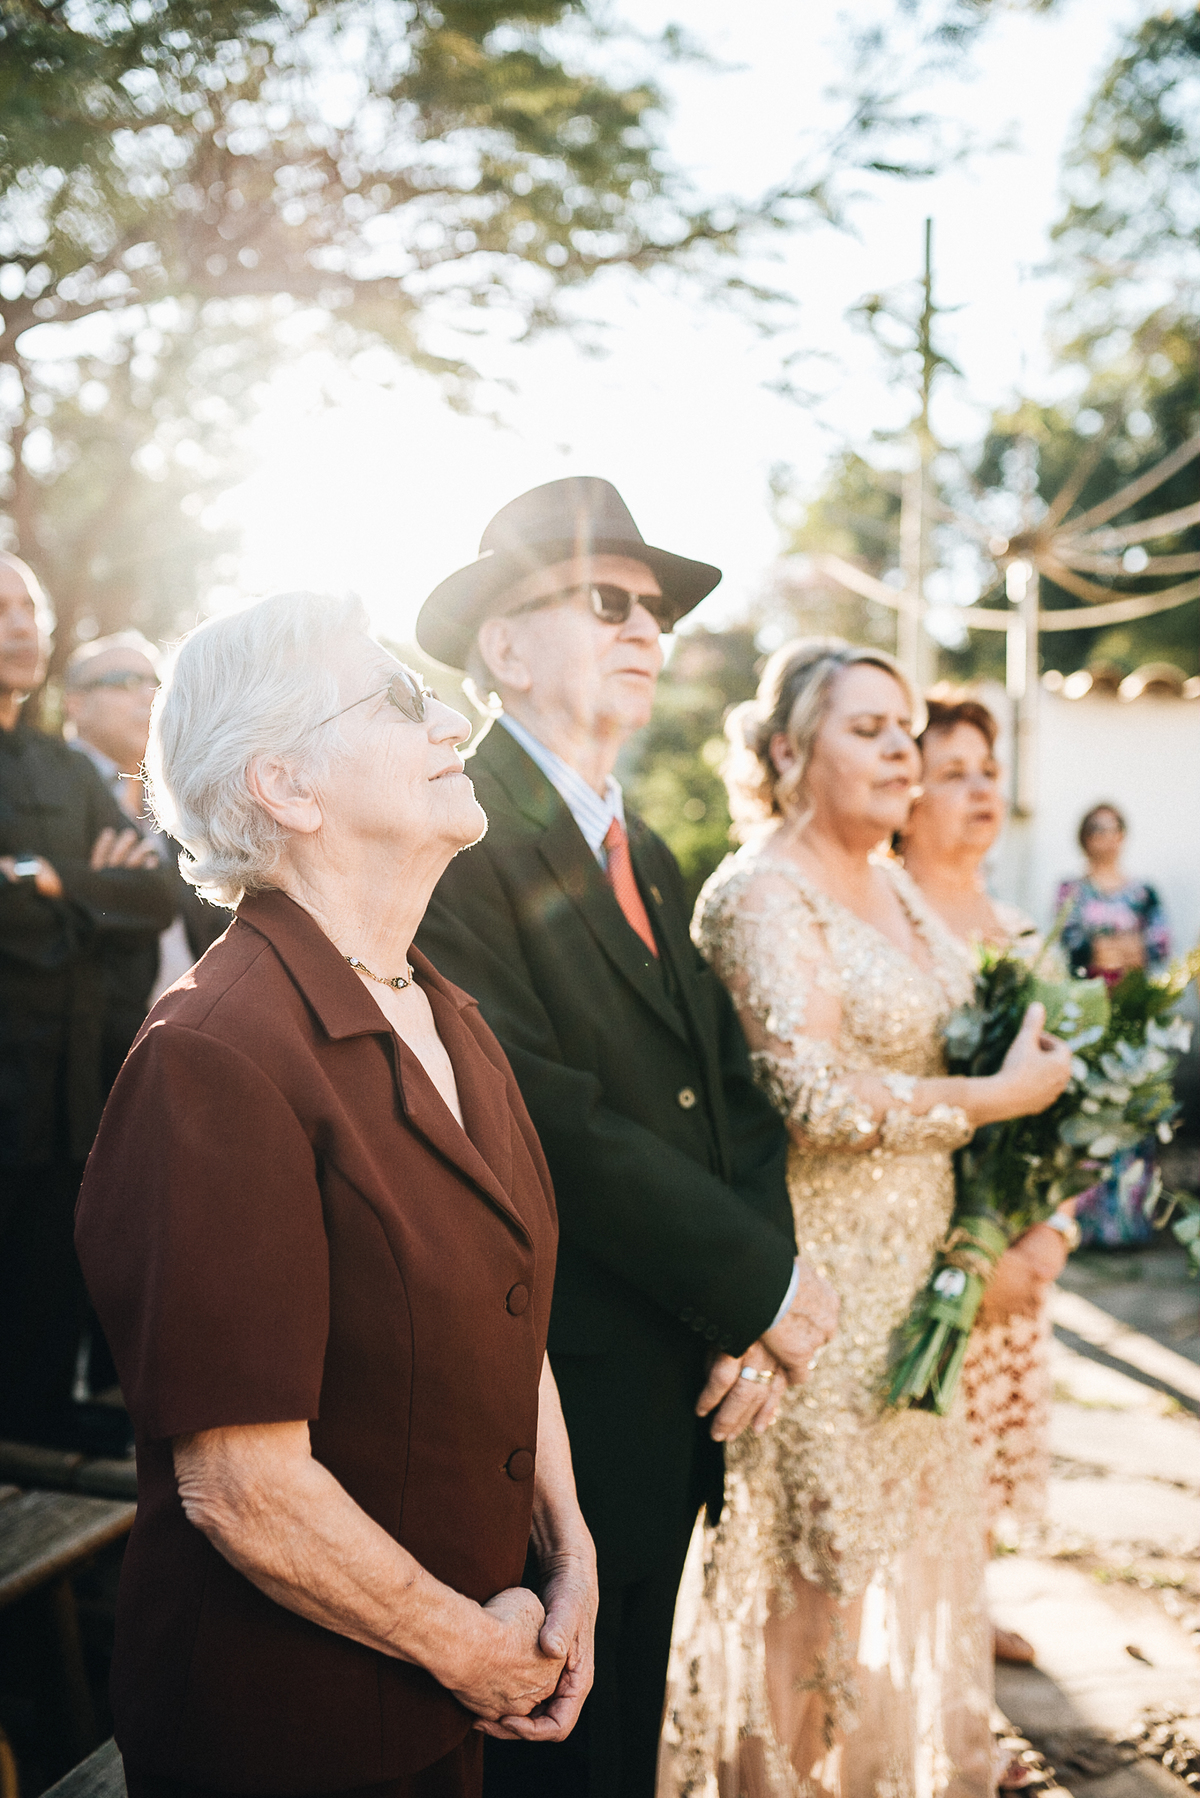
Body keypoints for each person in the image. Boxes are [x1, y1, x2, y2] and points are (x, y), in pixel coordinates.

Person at [74, 590, 595, 1798]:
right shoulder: (215, 1055)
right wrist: (471, 1651)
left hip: (451, 1701)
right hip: (287, 1732)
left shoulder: (446, 1011)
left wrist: (568, 1549)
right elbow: (242, 1483)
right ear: (286, 786)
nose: (453, 716)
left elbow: (510, 1316)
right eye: (398, 697)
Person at [412, 478, 838, 1798]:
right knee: (549, 1759)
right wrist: (758, 1282)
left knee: (626, 1748)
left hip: (683, 1376)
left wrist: (752, 1306)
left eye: (656, 608)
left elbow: (734, 1094)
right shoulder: (456, 825)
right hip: (554, 1393)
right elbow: (544, 1110)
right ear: (506, 644)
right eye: (608, 599)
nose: (646, 624)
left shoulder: (643, 846)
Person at [659, 639, 1072, 1798]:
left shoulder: (893, 883)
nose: (902, 751)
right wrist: (994, 1101)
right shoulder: (759, 892)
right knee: (812, 1605)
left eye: (906, 730)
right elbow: (819, 1093)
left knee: (894, 1580)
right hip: (818, 1299)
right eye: (868, 729)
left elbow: (970, 1016)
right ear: (788, 751)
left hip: (917, 1299)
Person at [900, 692, 1080, 1673]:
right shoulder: (885, 913)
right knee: (924, 1457)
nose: (979, 787)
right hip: (929, 1254)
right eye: (955, 768)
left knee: (984, 1461)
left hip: (1016, 1249)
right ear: (908, 787)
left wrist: (1050, 1233)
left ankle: (970, 1620)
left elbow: (1065, 1107)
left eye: (987, 768)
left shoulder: (1020, 928)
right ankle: (938, 1679)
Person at [0, 554, 175, 1451]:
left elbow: (149, 899)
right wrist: (82, 896)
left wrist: (43, 883)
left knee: (43, 1326)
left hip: (68, 1099)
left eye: (28, 605)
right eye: (1, 609)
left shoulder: (64, 774)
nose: (21, 624)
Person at [64, 632, 227, 1067]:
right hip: (91, 1054)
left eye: (153, 682)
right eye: (123, 680)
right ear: (74, 703)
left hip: (196, 1040)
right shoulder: (47, 798)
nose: (147, 695)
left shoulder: (181, 806)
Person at [1056, 803, 1171, 1245]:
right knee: (1089, 1114)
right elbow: (1069, 948)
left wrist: (1125, 952)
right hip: (1089, 1017)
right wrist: (1105, 950)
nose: (1104, 836)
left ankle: (1128, 1223)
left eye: (1112, 828)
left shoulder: (1144, 894)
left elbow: (1158, 949)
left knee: (1133, 1114)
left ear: (1124, 834)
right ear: (1084, 836)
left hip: (1133, 1013)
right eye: (1095, 828)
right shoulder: (1072, 890)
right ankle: (1084, 1224)